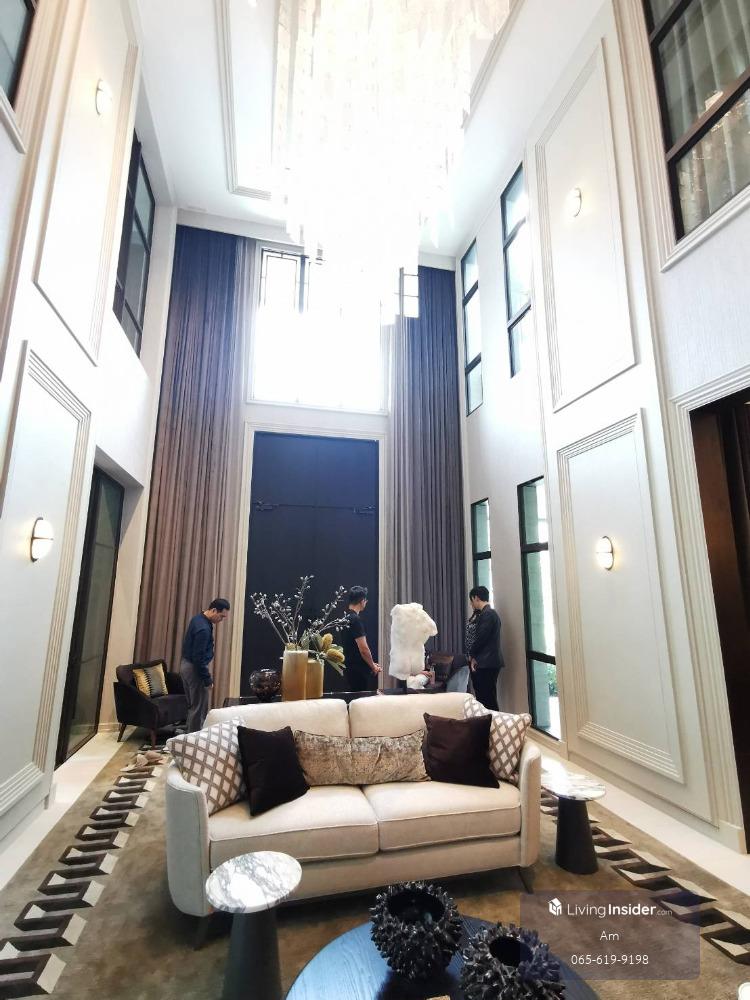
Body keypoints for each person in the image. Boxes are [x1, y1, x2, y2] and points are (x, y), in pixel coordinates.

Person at [180, 598, 230, 732]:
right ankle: (195, 739)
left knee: (193, 705)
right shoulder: (203, 629)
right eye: (221, 616)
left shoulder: (198, 619)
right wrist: (207, 679)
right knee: (199, 708)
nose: (221, 620)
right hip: (194, 669)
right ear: (214, 610)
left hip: (185, 665)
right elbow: (198, 658)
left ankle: (189, 735)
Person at [466, 586, 504, 710]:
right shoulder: (488, 613)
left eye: (471, 601)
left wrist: (472, 655)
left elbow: (481, 638)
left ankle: (492, 721)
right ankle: (489, 720)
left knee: (487, 699)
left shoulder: (487, 614)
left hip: (486, 663)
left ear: (476, 598)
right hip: (488, 662)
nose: (471, 604)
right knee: (486, 697)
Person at [341, 586, 381, 692]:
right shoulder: (355, 620)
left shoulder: (344, 618)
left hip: (348, 668)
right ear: (362, 601)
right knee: (359, 698)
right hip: (358, 672)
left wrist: (372, 664)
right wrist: (373, 666)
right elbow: (363, 649)